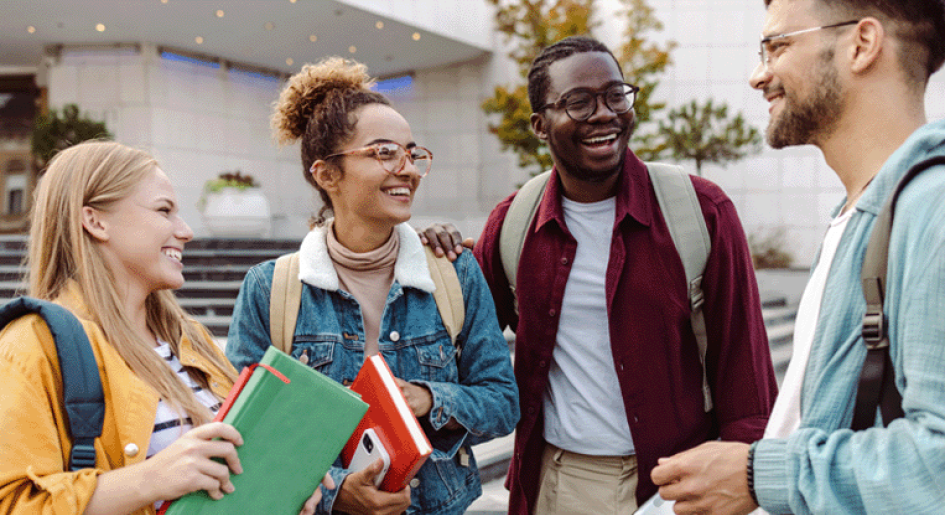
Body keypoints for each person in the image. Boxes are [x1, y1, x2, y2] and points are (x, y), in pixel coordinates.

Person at [425, 35, 778, 514]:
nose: (605, 114)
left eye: (616, 95)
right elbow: (452, 340)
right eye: (578, 102)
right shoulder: (514, 223)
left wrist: (746, 485)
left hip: (678, 482)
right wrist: (429, 255)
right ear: (540, 125)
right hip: (558, 482)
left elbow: (747, 378)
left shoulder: (701, 211)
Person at [651, 1, 945, 513]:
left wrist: (755, 474)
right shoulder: (857, 216)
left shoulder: (932, 211)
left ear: (861, 44)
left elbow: (936, 470)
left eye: (777, 46)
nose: (757, 75)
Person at [225, 57, 519, 515]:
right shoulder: (271, 288)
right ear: (327, 175)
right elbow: (247, 435)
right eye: (384, 152)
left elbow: (502, 403)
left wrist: (427, 398)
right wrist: (336, 493)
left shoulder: (454, 272)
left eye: (412, 153)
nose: (407, 168)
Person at [0, 141, 328, 515]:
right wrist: (153, 478)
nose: (185, 231)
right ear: (95, 221)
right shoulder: (30, 345)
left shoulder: (191, 338)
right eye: (164, 211)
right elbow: (12, 504)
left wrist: (281, 482)